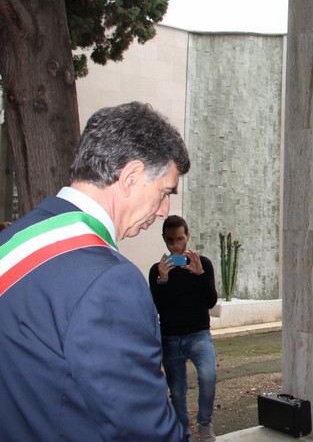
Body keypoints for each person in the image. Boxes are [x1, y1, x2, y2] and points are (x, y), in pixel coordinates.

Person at [0, 102, 189, 441]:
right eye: (164, 192)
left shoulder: (12, 241)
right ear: (131, 177)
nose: (164, 211)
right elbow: (144, 430)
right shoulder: (109, 282)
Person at [149, 215, 218, 442]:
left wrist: (199, 275)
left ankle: (205, 424)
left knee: (208, 377)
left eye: (179, 239)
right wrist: (163, 280)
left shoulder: (203, 263)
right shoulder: (157, 270)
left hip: (198, 335)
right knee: (177, 392)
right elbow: (155, 307)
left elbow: (210, 301)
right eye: (170, 240)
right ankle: (183, 434)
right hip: (170, 338)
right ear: (164, 239)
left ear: (188, 236)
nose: (175, 246)